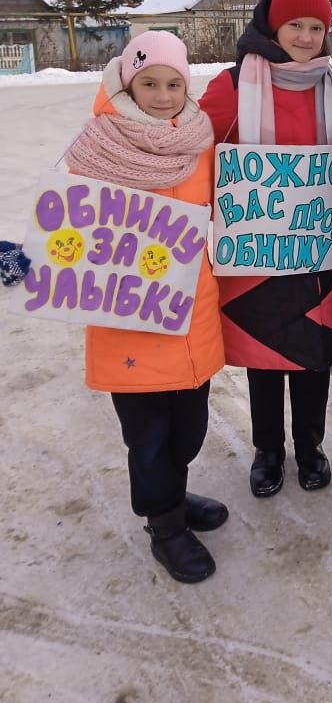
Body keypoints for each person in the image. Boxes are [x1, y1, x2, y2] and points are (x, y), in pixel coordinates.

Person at [64, 31, 227, 584]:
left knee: (189, 426)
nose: (162, 95)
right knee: (149, 435)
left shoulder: (200, 141)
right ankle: (164, 525)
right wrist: (30, 259)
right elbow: (71, 226)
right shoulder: (100, 142)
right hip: (129, 317)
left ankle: (174, 499)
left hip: (191, 309)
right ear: (128, 83)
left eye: (173, 83)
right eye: (149, 83)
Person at [200, 0, 332, 498]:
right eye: (296, 26)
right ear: (274, 26)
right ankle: (268, 451)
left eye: (316, 27)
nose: (307, 38)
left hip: (315, 247)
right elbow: (194, 148)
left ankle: (311, 447)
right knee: (264, 359)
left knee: (312, 355)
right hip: (255, 251)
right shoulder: (235, 84)